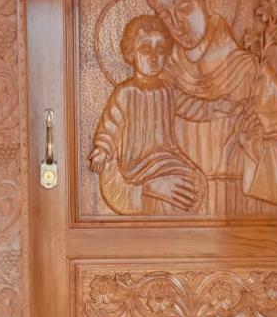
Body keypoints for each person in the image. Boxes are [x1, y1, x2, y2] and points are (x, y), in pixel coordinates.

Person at [145, 0, 277, 214]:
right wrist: (151, 185)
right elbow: (126, 154)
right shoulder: (160, 80)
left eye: (184, 7)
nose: (176, 22)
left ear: (207, 3)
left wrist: (257, 146)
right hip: (171, 219)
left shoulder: (252, 73)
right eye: (165, 15)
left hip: (235, 219)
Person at [89, 15, 238, 215]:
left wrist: (217, 106)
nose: (153, 57)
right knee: (162, 195)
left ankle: (176, 228)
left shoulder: (168, 90)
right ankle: (156, 220)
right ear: (131, 53)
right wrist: (102, 149)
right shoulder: (125, 93)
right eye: (145, 49)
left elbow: (192, 106)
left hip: (167, 158)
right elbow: (111, 126)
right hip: (137, 164)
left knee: (196, 183)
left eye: (160, 50)